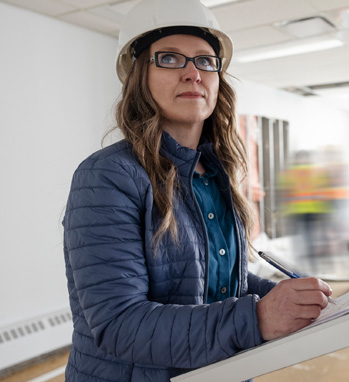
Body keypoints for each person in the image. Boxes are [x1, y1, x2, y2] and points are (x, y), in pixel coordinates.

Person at [62, 1, 333, 381]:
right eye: (170, 59)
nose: (193, 73)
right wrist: (258, 317)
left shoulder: (213, 172)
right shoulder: (107, 176)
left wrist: (284, 296)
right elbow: (119, 324)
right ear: (140, 74)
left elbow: (218, 282)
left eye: (205, 61)